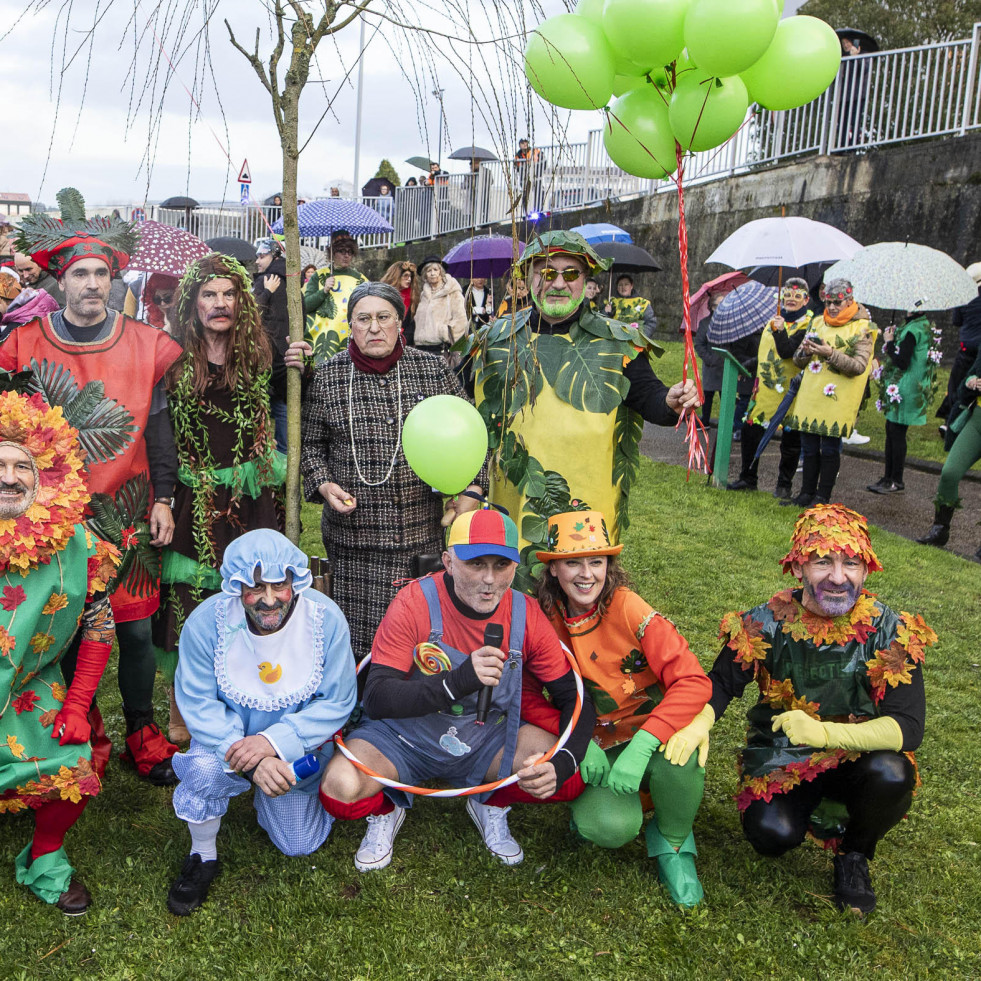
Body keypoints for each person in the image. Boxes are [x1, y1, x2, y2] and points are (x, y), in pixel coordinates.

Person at [2, 192, 183, 785]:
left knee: (131, 630)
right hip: (47, 519)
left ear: (114, 278)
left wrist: (162, 498)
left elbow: (159, 427)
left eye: (102, 273)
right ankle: (68, 731)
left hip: (126, 508)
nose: (92, 284)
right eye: (80, 272)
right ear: (59, 279)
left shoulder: (143, 343)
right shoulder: (23, 343)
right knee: (56, 629)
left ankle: (139, 730)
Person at [676, 504, 931, 915]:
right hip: (783, 754)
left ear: (866, 570)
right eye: (822, 561)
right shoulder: (765, 623)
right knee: (771, 836)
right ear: (797, 568)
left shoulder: (891, 631)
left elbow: (908, 728)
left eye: (851, 562)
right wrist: (698, 724)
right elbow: (721, 683)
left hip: (860, 757)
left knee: (892, 772)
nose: (837, 576)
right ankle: (798, 813)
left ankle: (854, 855)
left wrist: (825, 733)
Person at [317, 509, 596, 871]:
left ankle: (489, 801)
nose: (490, 580)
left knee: (567, 780)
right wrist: (458, 681)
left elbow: (574, 696)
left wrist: (563, 761)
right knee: (339, 790)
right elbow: (378, 697)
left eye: (501, 565)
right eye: (476, 564)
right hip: (401, 736)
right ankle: (387, 807)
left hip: (485, 738)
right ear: (448, 562)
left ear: (515, 567)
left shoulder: (525, 613)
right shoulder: (413, 602)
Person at [468, 229, 700, 582]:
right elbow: (469, 415)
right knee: (519, 602)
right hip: (516, 498)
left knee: (581, 602)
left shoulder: (616, 341)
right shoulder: (497, 340)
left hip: (587, 505)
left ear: (586, 281)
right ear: (528, 278)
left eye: (570, 273)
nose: (558, 283)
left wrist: (670, 401)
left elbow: (649, 397)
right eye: (546, 273)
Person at [165, 530, 357, 916]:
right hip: (226, 746)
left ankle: (275, 795)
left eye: (279, 585)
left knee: (298, 843)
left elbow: (337, 700)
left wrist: (274, 744)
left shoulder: (325, 620)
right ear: (236, 586)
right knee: (202, 770)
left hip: (293, 750)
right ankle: (202, 855)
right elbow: (198, 703)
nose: (269, 600)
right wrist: (252, 759)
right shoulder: (207, 623)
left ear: (295, 581)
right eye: (255, 588)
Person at [293, 282, 483, 667]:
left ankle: (418, 705)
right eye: (363, 319)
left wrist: (472, 489)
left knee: (421, 638)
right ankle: (360, 706)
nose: (374, 328)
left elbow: (469, 429)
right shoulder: (328, 378)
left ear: (401, 323)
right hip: (354, 541)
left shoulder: (430, 371)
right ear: (351, 326)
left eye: (384, 318)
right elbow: (310, 446)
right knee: (360, 644)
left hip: (420, 532)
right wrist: (324, 484)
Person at [530, 511, 711, 906]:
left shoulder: (629, 607)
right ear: (553, 568)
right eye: (572, 562)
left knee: (682, 761)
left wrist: (645, 744)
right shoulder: (540, 619)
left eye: (596, 562)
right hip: (596, 741)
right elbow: (527, 696)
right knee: (609, 827)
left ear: (609, 566)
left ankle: (675, 843)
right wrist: (577, 741)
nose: (586, 574)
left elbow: (693, 680)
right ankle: (602, 808)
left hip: (653, 730)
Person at [154, 252, 286, 743]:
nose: (220, 303)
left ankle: (247, 698)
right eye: (209, 294)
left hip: (248, 492)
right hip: (194, 491)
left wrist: (301, 365)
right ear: (193, 302)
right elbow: (162, 430)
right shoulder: (172, 357)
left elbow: (290, 395)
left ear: (241, 301)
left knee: (251, 591)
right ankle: (183, 708)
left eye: (229, 294)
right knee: (188, 598)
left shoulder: (258, 351)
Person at [0, 389, 120, 914]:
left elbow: (98, 627)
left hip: (28, 689)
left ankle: (45, 856)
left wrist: (75, 706)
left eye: (21, 465)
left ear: (46, 472)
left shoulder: (78, 545)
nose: (8, 476)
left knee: (75, 763)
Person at [782, 279, 877, 507]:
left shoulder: (863, 327)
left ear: (849, 300)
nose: (832, 307)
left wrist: (829, 353)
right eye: (829, 302)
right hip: (811, 394)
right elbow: (797, 360)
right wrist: (805, 353)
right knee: (809, 446)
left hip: (838, 397)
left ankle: (822, 497)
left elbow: (859, 366)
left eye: (837, 302)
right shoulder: (817, 322)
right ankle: (805, 493)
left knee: (829, 448)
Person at [731, 279, 815, 496]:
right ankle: (748, 478)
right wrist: (746, 366)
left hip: (790, 391)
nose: (791, 300)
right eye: (787, 295)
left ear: (806, 299)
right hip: (765, 391)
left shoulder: (808, 325)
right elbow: (766, 353)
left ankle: (784, 485)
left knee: (790, 441)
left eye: (797, 297)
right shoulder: (774, 321)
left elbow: (787, 351)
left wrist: (779, 331)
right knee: (750, 432)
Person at [916, 345, 981, 556]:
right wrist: (971, 382)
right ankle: (940, 529)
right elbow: (965, 383)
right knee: (950, 473)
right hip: (977, 419)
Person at [867, 315, 937, 494]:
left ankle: (895, 480)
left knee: (896, 433)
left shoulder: (913, 330)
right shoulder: (921, 325)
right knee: (892, 430)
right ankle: (888, 477)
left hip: (905, 387)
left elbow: (902, 362)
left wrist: (889, 343)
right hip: (910, 385)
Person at [303, 231, 368, 363]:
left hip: (352, 341)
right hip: (322, 343)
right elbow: (306, 305)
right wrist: (324, 290)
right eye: (341, 251)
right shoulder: (319, 275)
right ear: (332, 252)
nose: (346, 255)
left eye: (350, 252)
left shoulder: (361, 280)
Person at [252, 238, 291, 451]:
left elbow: (249, 315)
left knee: (260, 408)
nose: (257, 261)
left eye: (262, 256)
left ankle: (261, 456)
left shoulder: (266, 281)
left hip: (265, 355)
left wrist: (264, 293)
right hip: (285, 354)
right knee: (282, 408)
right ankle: (284, 457)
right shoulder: (292, 280)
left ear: (275, 256)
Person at [938, 261, 981, 432]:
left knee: (957, 384)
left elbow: (957, 321)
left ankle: (950, 423)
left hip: (966, 349)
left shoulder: (964, 296)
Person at [412, 256, 467, 367]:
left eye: (435, 270)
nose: (432, 273)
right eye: (429, 271)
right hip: (421, 349)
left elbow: (461, 319)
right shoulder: (424, 294)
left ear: (441, 272)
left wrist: (445, 333)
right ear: (425, 275)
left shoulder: (452, 292)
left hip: (441, 349)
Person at [694, 291, 725, 425]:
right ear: (712, 307)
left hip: (726, 366)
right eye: (719, 305)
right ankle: (705, 421)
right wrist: (710, 360)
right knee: (708, 395)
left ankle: (725, 423)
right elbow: (699, 345)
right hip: (711, 366)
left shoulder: (730, 322)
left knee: (725, 397)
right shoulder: (705, 323)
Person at [603, 273, 657, 338]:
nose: (623, 287)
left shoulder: (642, 303)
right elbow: (602, 321)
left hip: (636, 339)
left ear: (631, 286)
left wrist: (642, 335)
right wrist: (605, 312)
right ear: (617, 287)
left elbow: (651, 322)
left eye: (626, 284)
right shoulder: (611, 302)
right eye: (620, 285)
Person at [380, 260, 419, 345]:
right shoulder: (381, 296)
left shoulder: (414, 297)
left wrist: (402, 339)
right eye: (405, 276)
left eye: (410, 276)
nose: (409, 279)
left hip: (405, 343)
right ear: (396, 276)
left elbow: (412, 325)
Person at [514, 138, 545, 213]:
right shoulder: (518, 156)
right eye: (522, 143)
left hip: (536, 176)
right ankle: (526, 213)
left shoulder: (535, 151)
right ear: (520, 145)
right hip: (525, 179)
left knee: (539, 192)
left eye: (526, 142)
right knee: (526, 195)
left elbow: (543, 162)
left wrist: (538, 172)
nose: (524, 144)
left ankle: (538, 211)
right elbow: (517, 168)